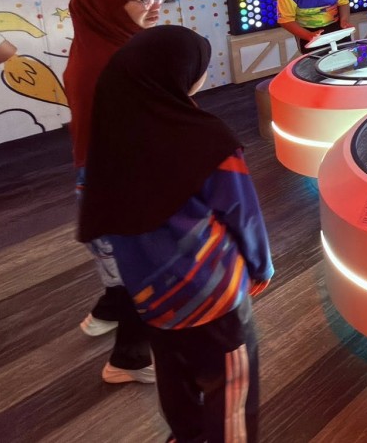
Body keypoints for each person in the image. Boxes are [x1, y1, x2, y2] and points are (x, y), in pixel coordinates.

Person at [79, 25, 272, 443]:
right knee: (231, 385)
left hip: (151, 297)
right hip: (213, 294)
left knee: (174, 376)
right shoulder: (208, 138)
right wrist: (261, 267)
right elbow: (243, 215)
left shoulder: (109, 139)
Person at [63, 0, 160, 384]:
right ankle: (129, 360)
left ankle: (105, 312)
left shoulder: (96, 43)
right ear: (106, 5)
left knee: (119, 260)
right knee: (146, 271)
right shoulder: (117, 62)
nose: (155, 5)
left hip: (101, 173)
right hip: (120, 179)